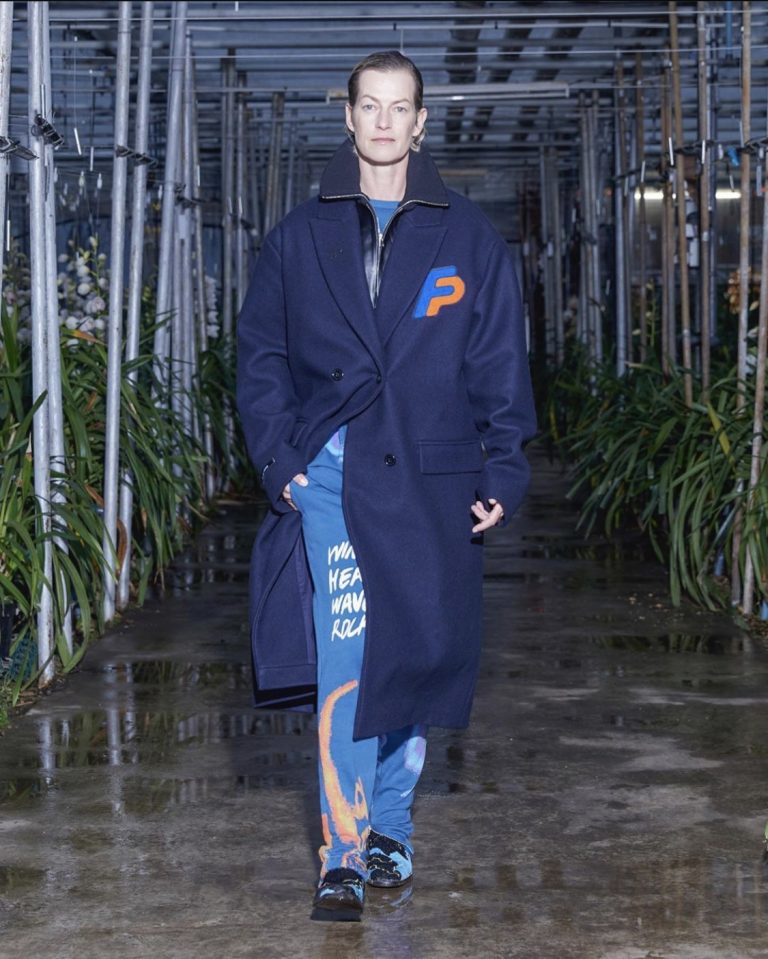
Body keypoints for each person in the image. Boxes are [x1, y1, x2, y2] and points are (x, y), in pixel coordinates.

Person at [236, 50, 536, 922]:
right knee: (351, 652)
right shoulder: (299, 237)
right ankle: (342, 851)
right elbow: (260, 358)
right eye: (369, 105)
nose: (382, 122)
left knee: (415, 653)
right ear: (348, 116)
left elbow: (499, 363)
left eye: (399, 107)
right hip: (332, 475)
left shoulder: (468, 238)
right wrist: (282, 462)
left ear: (421, 123)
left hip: (431, 482)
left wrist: (504, 465)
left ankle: (392, 824)